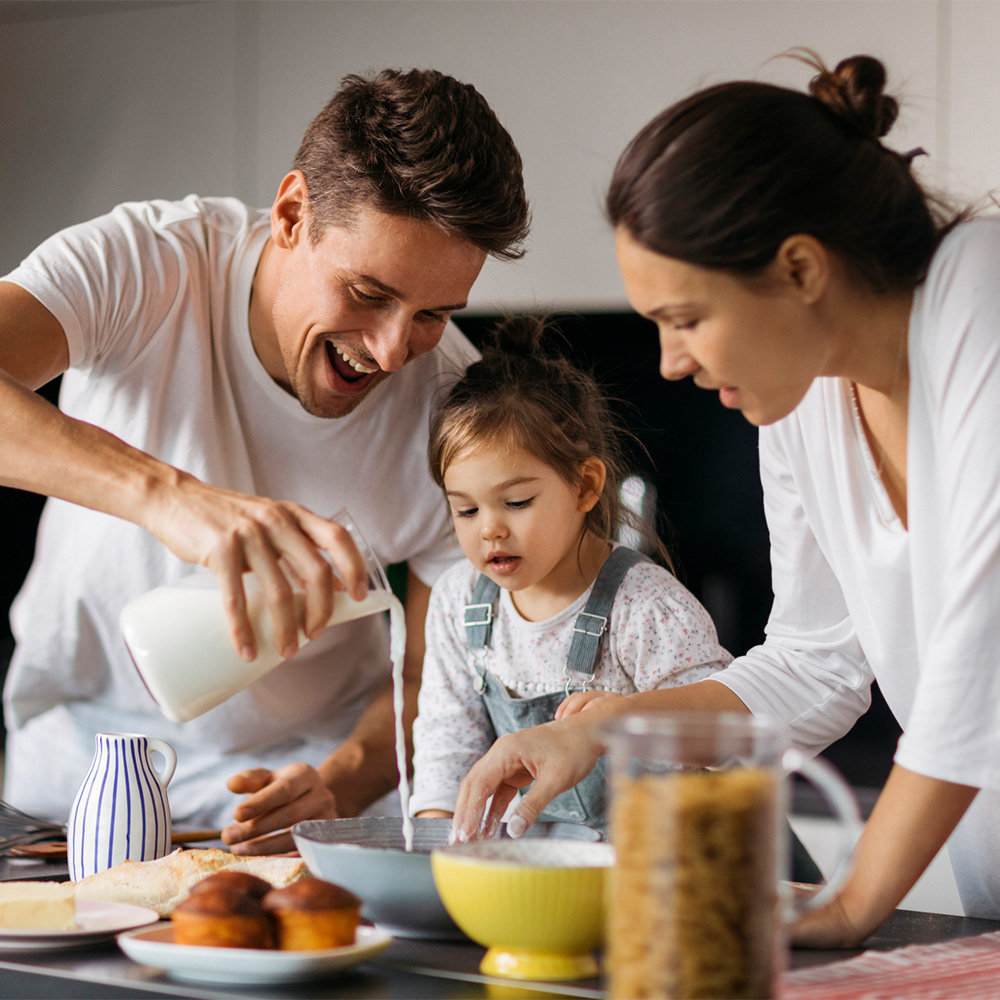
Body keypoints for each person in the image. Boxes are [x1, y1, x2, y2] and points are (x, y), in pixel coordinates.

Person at [451, 51, 1000, 944]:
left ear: (800, 269)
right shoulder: (802, 397)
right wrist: (612, 729)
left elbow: (984, 657)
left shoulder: (983, 290)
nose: (671, 363)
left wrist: (851, 901)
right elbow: (817, 663)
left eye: (687, 319)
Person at [0, 67, 529, 853]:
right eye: (369, 293)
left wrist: (342, 782)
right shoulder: (148, 263)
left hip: (305, 786)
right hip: (79, 764)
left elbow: (429, 677)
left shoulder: (453, 411)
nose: (393, 351)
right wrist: (169, 497)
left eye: (433, 314)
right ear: (290, 214)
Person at [408, 315, 732, 836]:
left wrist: (622, 724)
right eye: (465, 510)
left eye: (516, 502)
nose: (489, 529)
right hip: (545, 865)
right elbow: (448, 745)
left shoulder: (646, 608)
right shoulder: (458, 601)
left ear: (585, 486)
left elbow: (724, 740)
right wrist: (438, 844)